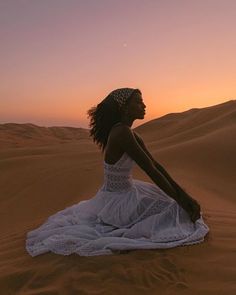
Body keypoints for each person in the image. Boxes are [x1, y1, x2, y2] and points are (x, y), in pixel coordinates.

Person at [26, 87, 209, 257]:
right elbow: (151, 170)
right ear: (124, 108)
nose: (144, 105)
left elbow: (155, 164)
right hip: (119, 200)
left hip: (126, 191)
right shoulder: (121, 133)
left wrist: (183, 197)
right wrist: (183, 199)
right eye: (138, 102)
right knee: (172, 211)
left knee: (173, 206)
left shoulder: (129, 132)